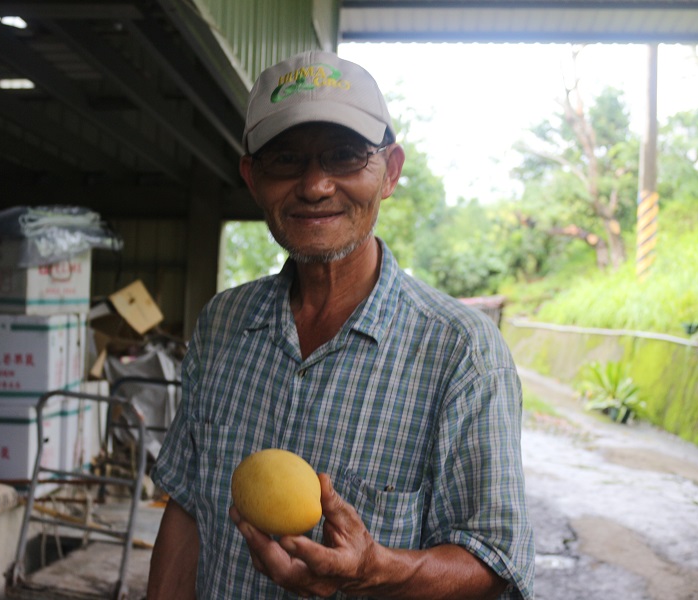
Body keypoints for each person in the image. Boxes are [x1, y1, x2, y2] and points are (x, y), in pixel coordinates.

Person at [147, 50, 534, 599]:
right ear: (252, 177)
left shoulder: (460, 352)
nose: (315, 186)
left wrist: (377, 568)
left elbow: (495, 563)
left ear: (390, 171)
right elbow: (186, 504)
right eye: (286, 159)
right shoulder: (222, 325)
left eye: (345, 156)